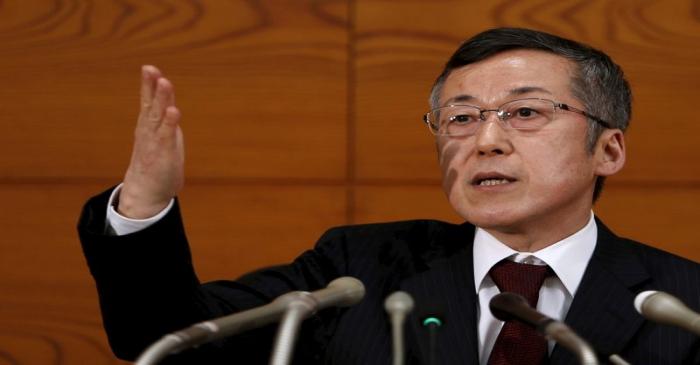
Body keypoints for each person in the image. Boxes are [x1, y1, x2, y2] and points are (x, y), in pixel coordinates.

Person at [78, 27, 700, 364]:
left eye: (524, 113)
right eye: (460, 118)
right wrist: (143, 206)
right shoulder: (358, 270)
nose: (485, 140)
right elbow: (166, 337)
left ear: (607, 150)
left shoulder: (682, 305)